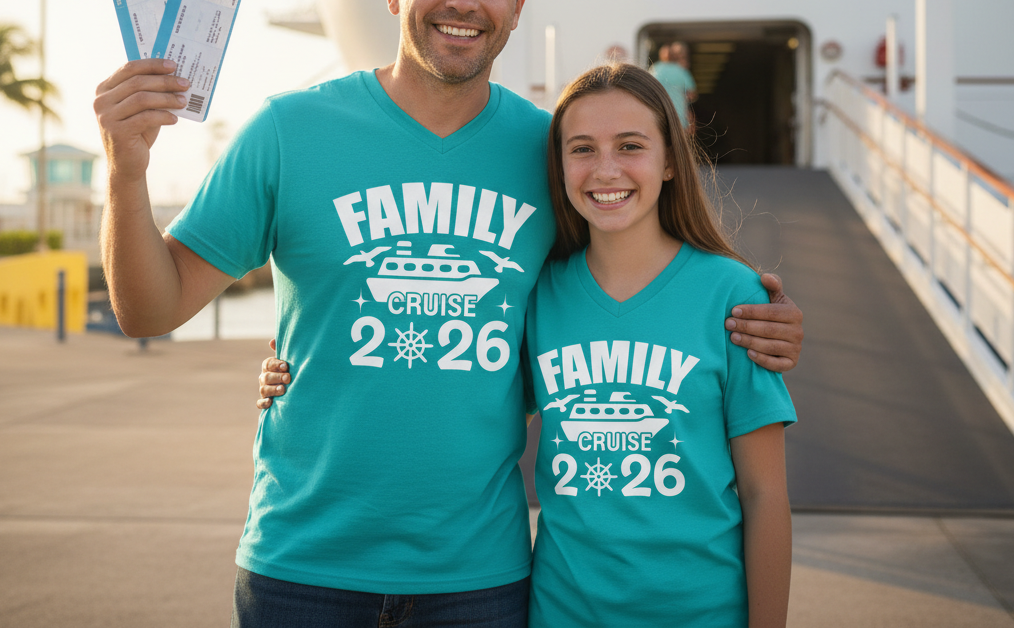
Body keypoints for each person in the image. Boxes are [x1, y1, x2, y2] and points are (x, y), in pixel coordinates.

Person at [96, 0, 802, 628]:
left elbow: (617, 295)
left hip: (478, 579)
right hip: (301, 568)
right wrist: (126, 171)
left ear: (517, 5)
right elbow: (150, 310)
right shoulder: (287, 132)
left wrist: (755, 321)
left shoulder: (553, 152)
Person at [261, 63, 795, 627]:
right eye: (582, 149)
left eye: (631, 146)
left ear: (669, 161)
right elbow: (456, 380)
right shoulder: (538, 295)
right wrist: (301, 368)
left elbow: (764, 495)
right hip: (560, 612)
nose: (605, 169)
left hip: (702, 612)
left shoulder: (734, 296)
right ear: (558, 167)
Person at [649, 40, 698, 133]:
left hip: (659, 114)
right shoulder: (681, 70)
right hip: (679, 116)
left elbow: (646, 91)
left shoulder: (654, 69)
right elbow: (692, 94)